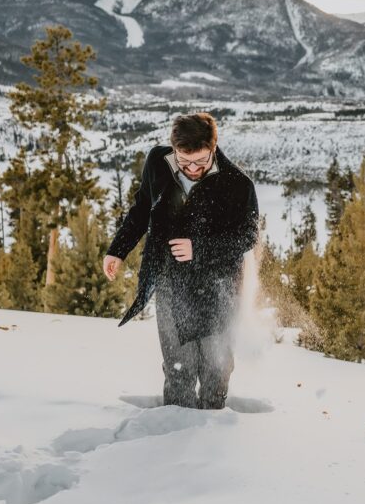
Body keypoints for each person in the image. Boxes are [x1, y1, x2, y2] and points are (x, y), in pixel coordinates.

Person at [103, 112, 259, 410]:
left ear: (213, 148)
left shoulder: (238, 184)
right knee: (178, 368)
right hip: (171, 283)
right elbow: (142, 209)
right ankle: (176, 425)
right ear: (174, 149)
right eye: (184, 161)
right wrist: (117, 250)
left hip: (219, 289)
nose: (192, 169)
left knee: (216, 370)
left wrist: (199, 248)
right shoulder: (158, 162)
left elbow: (248, 237)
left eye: (200, 161)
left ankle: (212, 429)